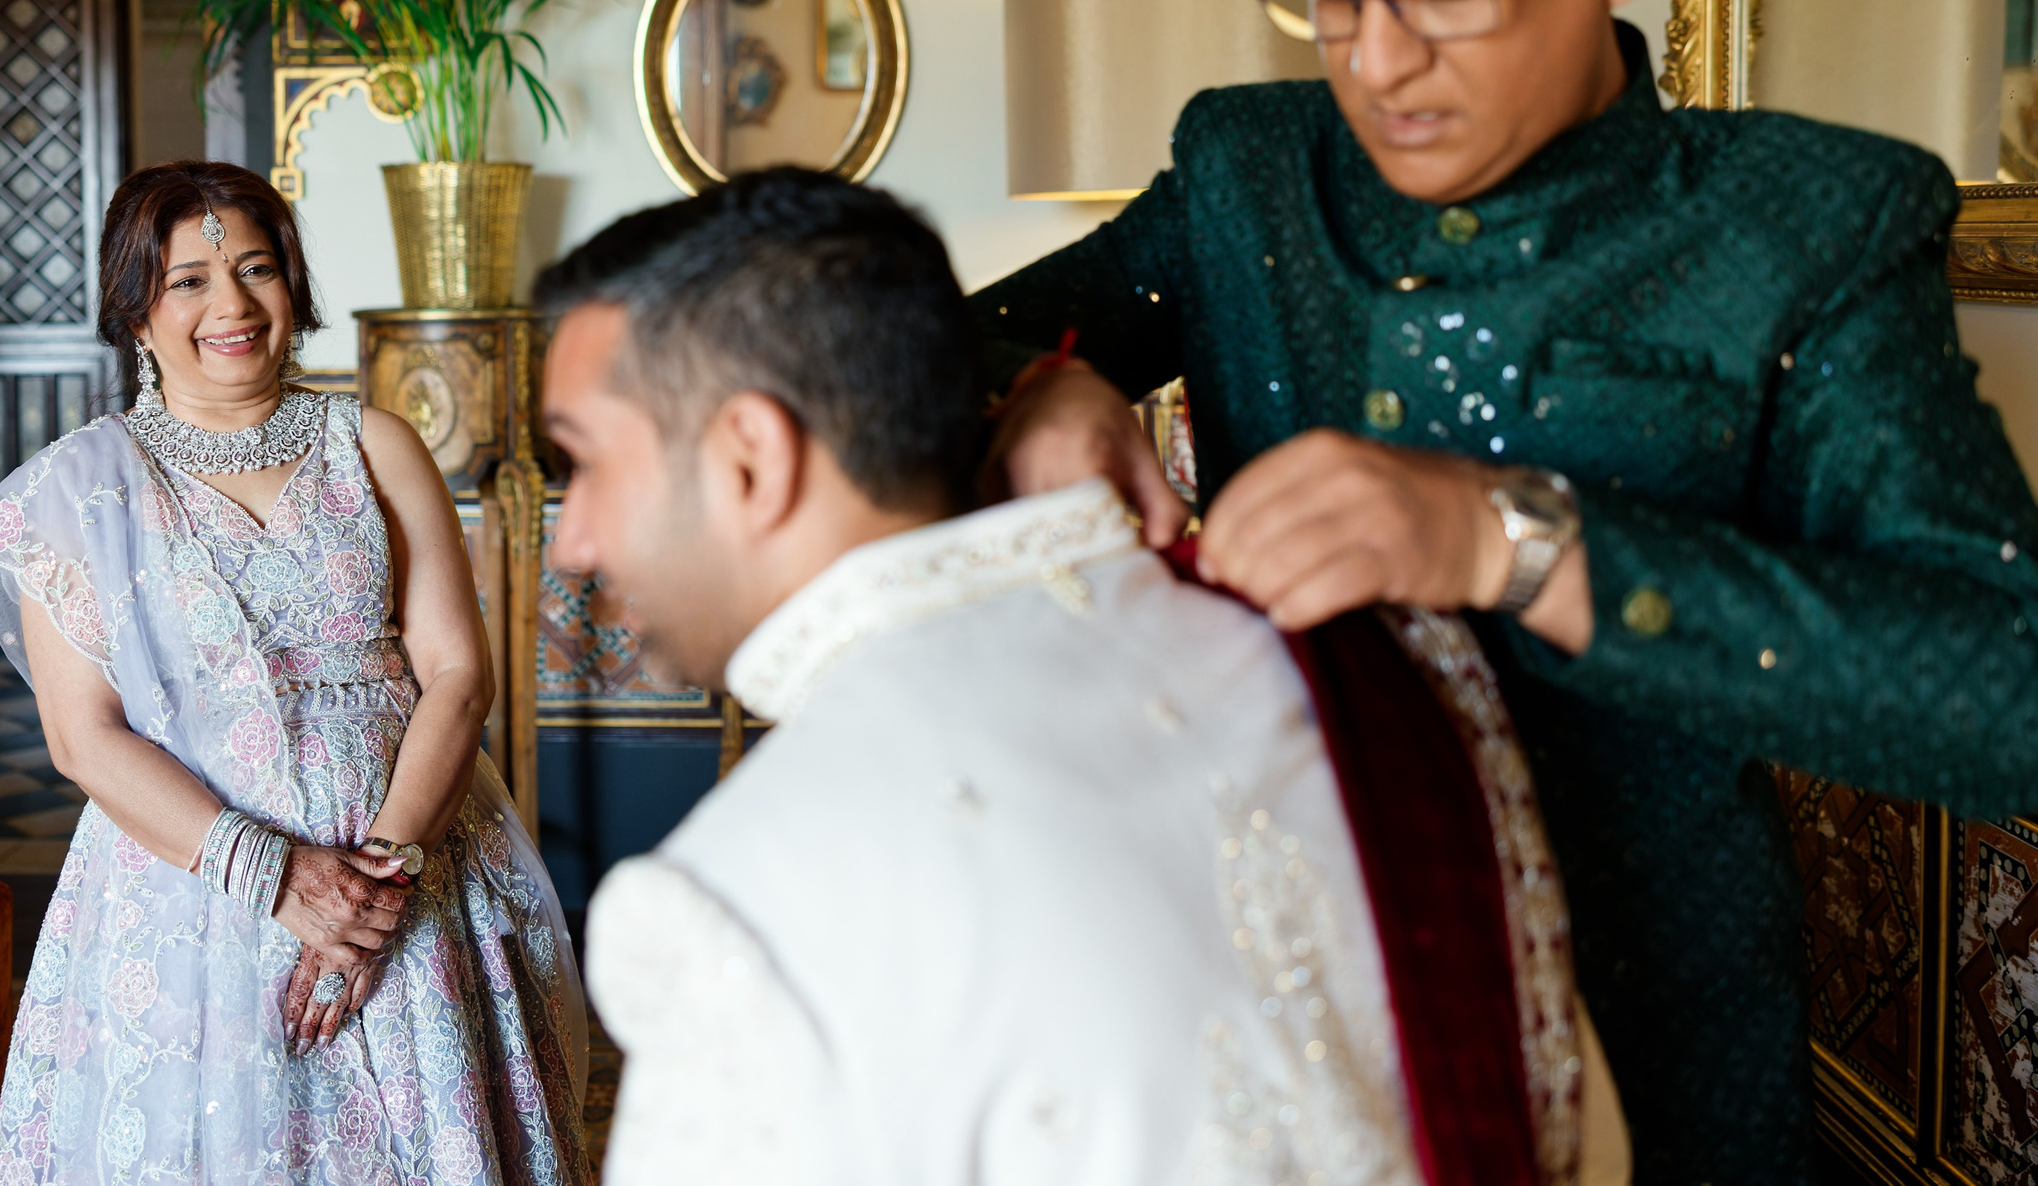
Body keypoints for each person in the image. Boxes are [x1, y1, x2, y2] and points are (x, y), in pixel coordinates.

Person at [975, 0, 2038, 1182]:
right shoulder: (1244, 170)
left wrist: (1511, 535)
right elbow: (959, 348)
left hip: (1668, 1052)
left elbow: (2013, 698)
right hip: (1290, 1033)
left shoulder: (1804, 223)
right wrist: (1042, 386)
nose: (1376, 60)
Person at [537, 169, 1628, 1186]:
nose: (570, 543)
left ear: (749, 458)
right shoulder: (1351, 661)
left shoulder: (732, 903)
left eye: (581, 461)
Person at [0, 161, 587, 1186]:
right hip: (188, 887)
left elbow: (457, 675)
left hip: (407, 859)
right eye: (189, 280)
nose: (233, 305)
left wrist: (379, 884)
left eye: (257, 269)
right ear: (135, 310)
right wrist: (280, 878)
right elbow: (83, 737)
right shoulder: (77, 489)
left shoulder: (376, 444)